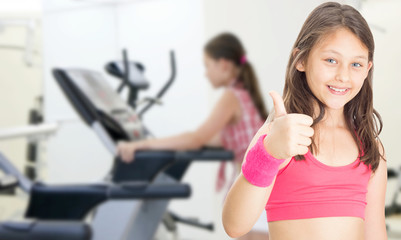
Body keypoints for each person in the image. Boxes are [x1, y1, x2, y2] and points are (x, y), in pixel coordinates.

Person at [222, 2, 387, 240]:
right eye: (331, 60)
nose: (343, 75)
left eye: (356, 64)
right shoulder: (279, 137)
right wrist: (270, 153)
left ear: (367, 69)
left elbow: (376, 235)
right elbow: (234, 225)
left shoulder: (370, 150)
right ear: (301, 60)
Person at [117, 33, 270, 239]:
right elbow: (212, 139)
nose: (206, 73)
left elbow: (197, 138)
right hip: (261, 184)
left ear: (223, 64)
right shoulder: (245, 93)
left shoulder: (231, 96)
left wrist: (143, 145)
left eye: (207, 65)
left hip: (257, 187)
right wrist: (161, 143)